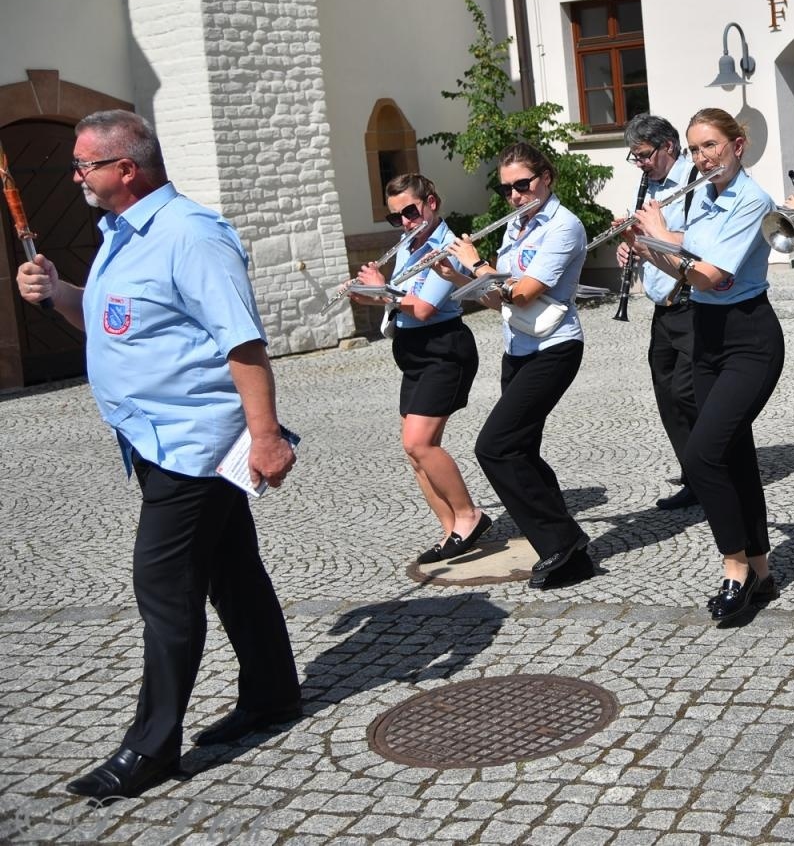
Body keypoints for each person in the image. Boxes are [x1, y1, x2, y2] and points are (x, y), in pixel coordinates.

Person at [15, 110, 302, 800]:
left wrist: (264, 436)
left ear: (127, 168)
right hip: (152, 438)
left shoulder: (189, 236)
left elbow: (243, 343)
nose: (76, 176)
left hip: (193, 445)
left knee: (164, 590)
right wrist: (58, 294)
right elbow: (115, 321)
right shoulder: (119, 234)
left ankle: (150, 748)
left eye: (85, 164)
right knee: (232, 569)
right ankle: (272, 694)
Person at [627, 108, 786, 623]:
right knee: (735, 455)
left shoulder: (752, 200)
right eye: (695, 149)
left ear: (738, 146)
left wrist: (654, 238)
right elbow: (690, 245)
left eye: (711, 146)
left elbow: (711, 274)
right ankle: (761, 569)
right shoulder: (707, 195)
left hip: (749, 336)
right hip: (708, 335)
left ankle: (734, 567)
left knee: (702, 455)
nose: (702, 158)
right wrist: (649, 239)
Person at [449, 144, 593, 589]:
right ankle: (570, 554)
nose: (514, 195)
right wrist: (458, 277)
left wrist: (478, 264)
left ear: (546, 178)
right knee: (523, 449)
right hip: (518, 347)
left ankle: (560, 540)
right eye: (506, 187)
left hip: (555, 346)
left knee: (495, 446)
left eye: (522, 185)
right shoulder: (517, 225)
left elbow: (524, 293)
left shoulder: (564, 226)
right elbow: (499, 299)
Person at [352, 175, 490, 564]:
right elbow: (396, 301)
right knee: (413, 452)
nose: (406, 222)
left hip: (443, 348)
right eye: (396, 217)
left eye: (410, 212)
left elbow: (424, 307)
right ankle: (451, 531)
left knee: (420, 443)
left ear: (431, 202)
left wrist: (385, 290)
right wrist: (366, 292)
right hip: (413, 350)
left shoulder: (444, 247)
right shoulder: (409, 245)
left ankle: (470, 516)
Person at [620, 114, 702, 512]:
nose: (641, 164)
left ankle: (714, 469)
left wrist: (649, 241)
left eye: (644, 155)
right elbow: (651, 246)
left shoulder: (694, 183)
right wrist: (631, 250)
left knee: (691, 392)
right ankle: (694, 477)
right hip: (662, 305)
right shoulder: (649, 186)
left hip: (692, 302)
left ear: (668, 146)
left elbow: (694, 242)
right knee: (668, 395)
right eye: (634, 158)